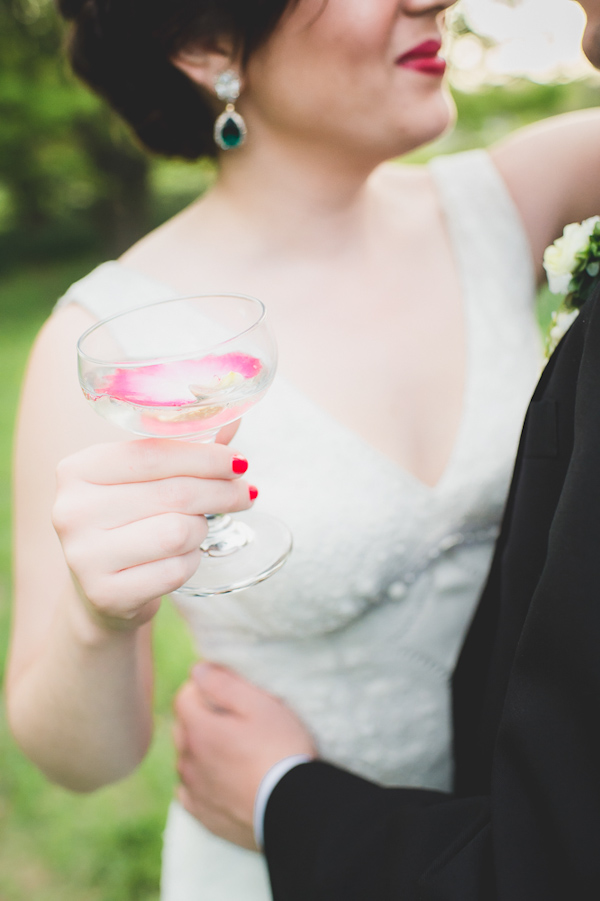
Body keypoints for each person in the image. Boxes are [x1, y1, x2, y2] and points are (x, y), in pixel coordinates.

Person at [6, 0, 600, 898]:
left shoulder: (513, 199)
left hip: (523, 843)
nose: (430, 0)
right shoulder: (106, 337)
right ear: (207, 43)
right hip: (271, 864)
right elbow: (81, 763)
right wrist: (101, 618)